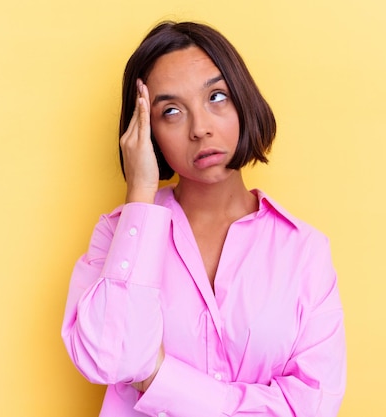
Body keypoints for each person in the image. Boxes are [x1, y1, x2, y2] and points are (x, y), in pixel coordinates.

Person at [62, 21, 346, 417]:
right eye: (172, 111)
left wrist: (161, 379)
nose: (201, 128)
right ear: (147, 132)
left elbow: (311, 409)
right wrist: (140, 194)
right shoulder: (118, 234)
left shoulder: (304, 251)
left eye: (216, 97)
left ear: (243, 101)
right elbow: (111, 360)